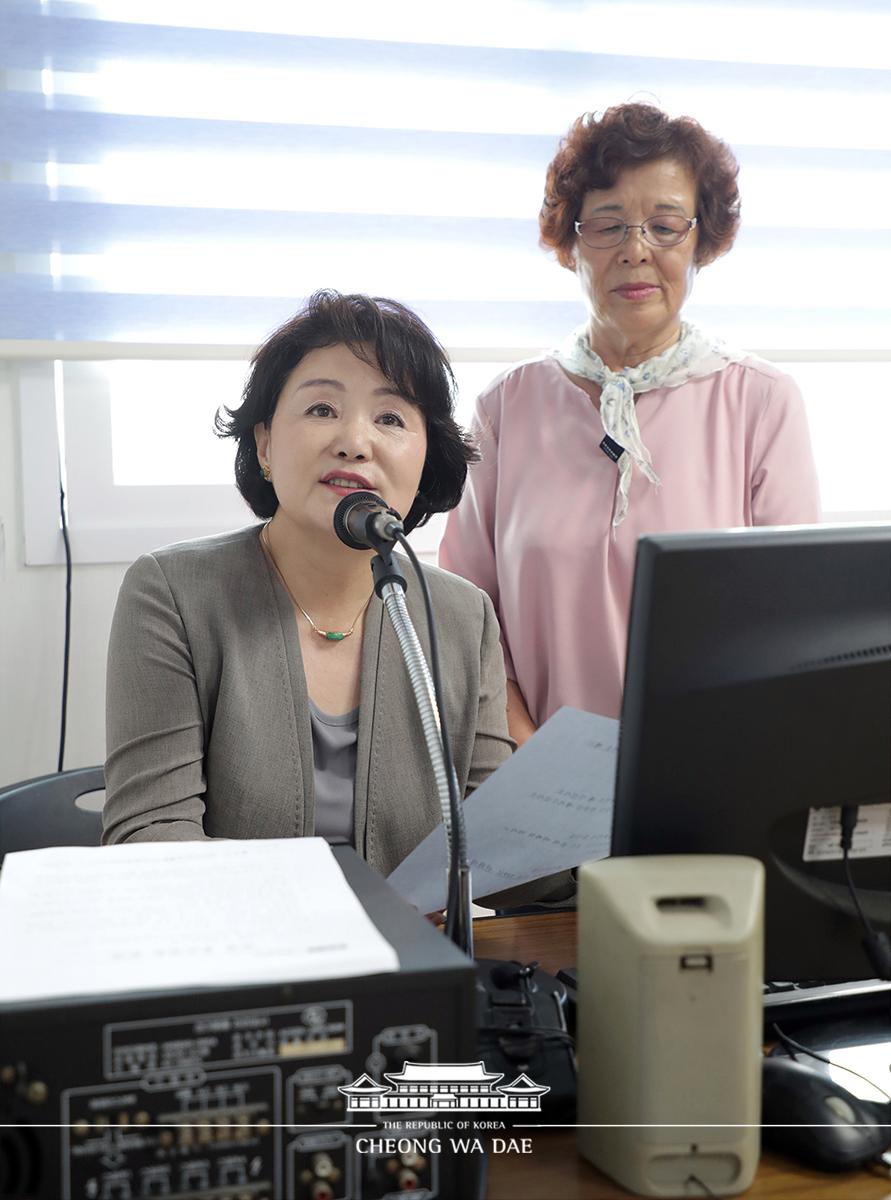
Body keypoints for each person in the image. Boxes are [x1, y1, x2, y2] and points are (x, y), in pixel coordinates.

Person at [102, 290, 513, 887]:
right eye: (322, 408)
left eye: (391, 418)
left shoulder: (460, 615)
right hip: (241, 964)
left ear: (425, 461)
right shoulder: (171, 593)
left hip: (412, 966)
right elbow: (151, 838)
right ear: (265, 444)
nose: (354, 440)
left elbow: (501, 847)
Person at [439, 102, 821, 743]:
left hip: (709, 771)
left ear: (702, 240)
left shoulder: (761, 402)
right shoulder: (506, 406)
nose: (636, 250)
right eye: (608, 225)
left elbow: (791, 629)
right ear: (572, 244)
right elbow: (463, 617)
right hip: (528, 773)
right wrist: (526, 753)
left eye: (665, 226)